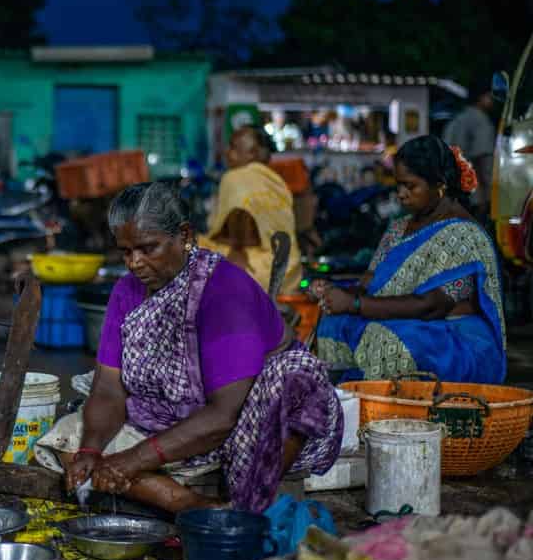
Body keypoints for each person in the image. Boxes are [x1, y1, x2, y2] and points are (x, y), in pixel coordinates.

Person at [34, 181, 342, 513]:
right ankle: (192, 505)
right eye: (126, 251)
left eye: (147, 248)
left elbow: (224, 414)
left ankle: (185, 498)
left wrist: (133, 461)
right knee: (67, 442)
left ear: (184, 236)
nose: (134, 262)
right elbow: (109, 388)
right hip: (164, 421)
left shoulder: (223, 292)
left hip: (236, 425)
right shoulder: (126, 291)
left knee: (290, 379)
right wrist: (92, 451)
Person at [314, 135, 506, 383]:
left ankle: (379, 408)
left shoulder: (464, 235)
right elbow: (370, 284)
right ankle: (345, 403)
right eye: (398, 185)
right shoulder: (399, 227)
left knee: (383, 340)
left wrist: (354, 304)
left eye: (411, 186)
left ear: (440, 184)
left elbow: (432, 305)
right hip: (407, 322)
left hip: (452, 336)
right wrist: (334, 293)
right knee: (333, 324)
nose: (401, 194)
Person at [199, 125, 303, 294]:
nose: (227, 152)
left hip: (256, 273)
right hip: (290, 272)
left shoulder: (234, 177)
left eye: (233, 147)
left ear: (252, 153)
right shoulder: (277, 181)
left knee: (193, 247)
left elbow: (240, 237)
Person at [443, 86, 496, 218]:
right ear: (480, 98)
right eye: (489, 96)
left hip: (452, 192)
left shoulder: (456, 120)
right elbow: (483, 161)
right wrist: (487, 197)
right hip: (473, 196)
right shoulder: (481, 121)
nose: (493, 100)